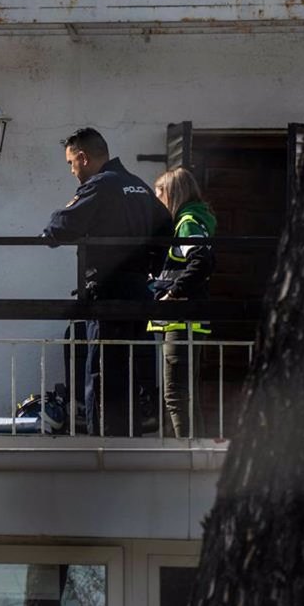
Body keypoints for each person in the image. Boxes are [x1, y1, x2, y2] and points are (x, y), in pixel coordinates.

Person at [43, 127, 172, 436]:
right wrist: (150, 267)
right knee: (132, 368)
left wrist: (48, 233)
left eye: (71, 163)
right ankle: (129, 439)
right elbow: (166, 227)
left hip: (108, 293)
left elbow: (60, 227)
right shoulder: (138, 186)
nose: (72, 171)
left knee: (102, 371)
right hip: (139, 293)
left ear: (83, 158)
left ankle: (104, 444)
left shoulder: (101, 185)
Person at [147, 167, 216, 438]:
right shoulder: (194, 220)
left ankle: (184, 452)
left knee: (175, 394)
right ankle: (194, 450)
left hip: (180, 319)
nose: (157, 203)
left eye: (159, 196)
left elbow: (201, 261)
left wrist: (172, 293)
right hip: (187, 318)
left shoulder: (187, 222)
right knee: (187, 394)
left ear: (172, 194)